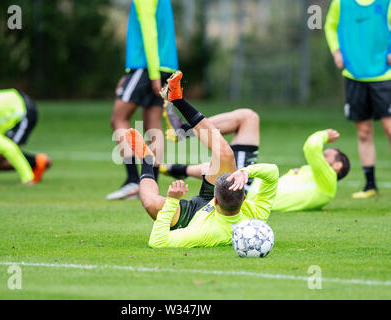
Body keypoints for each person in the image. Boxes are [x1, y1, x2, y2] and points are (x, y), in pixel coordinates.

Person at [124, 71, 279, 248]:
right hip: (226, 201)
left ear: (215, 201)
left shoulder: (204, 234)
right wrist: (245, 171)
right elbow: (273, 172)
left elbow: (157, 241)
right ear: (245, 198)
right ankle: (176, 99)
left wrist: (173, 200)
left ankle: (146, 159)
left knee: (151, 203)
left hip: (191, 218)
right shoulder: (256, 213)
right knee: (224, 154)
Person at [162, 110, 351, 213]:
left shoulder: (328, 181)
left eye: (326, 155)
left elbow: (311, 147)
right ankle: (175, 162)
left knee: (245, 123)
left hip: (246, 192)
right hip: (251, 187)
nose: (321, 156)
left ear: (337, 166)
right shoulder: (315, 179)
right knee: (248, 118)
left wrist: (324, 135)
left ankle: (179, 142)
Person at [106, 0, 179, 200]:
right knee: (153, 126)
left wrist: (152, 74)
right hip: (163, 66)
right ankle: (150, 186)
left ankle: (133, 180)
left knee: (118, 119)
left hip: (147, 67)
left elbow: (150, 33)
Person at [325, 0, 391, 199]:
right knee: (363, 132)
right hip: (354, 75)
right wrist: (336, 51)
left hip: (384, 76)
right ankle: (370, 185)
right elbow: (329, 25)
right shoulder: (340, 2)